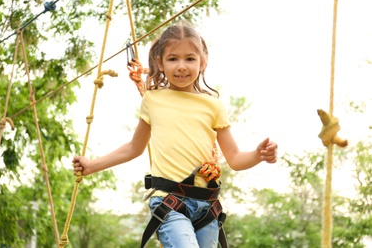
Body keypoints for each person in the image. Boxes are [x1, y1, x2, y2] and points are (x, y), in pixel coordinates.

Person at [72, 20, 278, 248]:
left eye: (190, 58)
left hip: (206, 206)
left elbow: (236, 159)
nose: (181, 66)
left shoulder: (213, 106)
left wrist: (259, 155)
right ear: (160, 63)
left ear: (203, 62)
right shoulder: (153, 99)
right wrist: (92, 165)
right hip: (170, 202)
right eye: (173, 59)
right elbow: (134, 147)